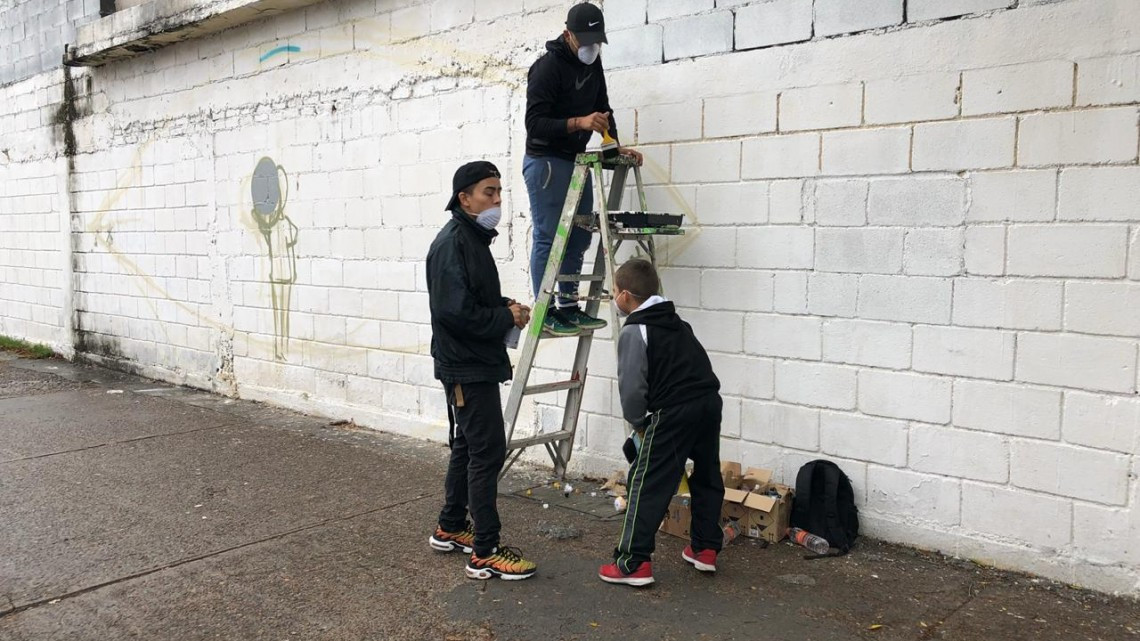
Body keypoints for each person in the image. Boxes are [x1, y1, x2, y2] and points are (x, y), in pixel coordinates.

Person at [426, 160, 537, 581]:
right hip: (466, 367)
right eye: (488, 192)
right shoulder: (453, 243)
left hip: (470, 363)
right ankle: (486, 551)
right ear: (464, 198)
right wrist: (504, 319)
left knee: (468, 448)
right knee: (487, 451)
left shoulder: (470, 240)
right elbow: (455, 313)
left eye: (499, 192)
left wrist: (506, 307)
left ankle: (451, 526)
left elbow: (471, 299)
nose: (497, 200)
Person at [598, 259, 725, 587]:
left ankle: (632, 563)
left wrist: (639, 423)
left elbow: (632, 388)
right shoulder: (677, 323)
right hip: (709, 402)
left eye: (614, 292)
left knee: (647, 482)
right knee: (708, 475)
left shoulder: (635, 329)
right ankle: (705, 548)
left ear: (625, 296)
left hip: (674, 411)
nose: (614, 298)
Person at [524, 2, 643, 336]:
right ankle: (544, 310)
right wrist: (579, 122)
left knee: (579, 235)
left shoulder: (594, 65)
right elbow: (534, 124)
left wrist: (612, 145)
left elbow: (603, 108)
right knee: (549, 237)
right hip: (545, 160)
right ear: (568, 34)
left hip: (576, 161)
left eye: (597, 40)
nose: (592, 47)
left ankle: (568, 308)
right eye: (585, 39)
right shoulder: (547, 68)